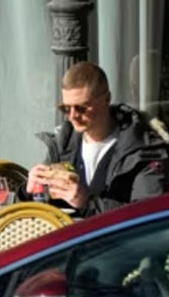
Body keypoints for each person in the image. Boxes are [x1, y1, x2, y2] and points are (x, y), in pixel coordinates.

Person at [24, 61, 169, 216]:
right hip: (66, 238)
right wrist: (30, 192)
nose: (73, 116)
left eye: (82, 108)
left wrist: (86, 203)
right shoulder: (64, 142)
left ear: (106, 100)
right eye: (66, 108)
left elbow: (145, 217)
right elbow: (37, 211)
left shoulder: (144, 150)